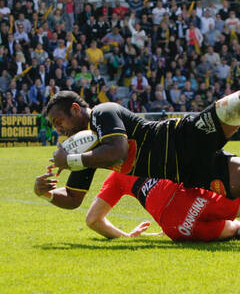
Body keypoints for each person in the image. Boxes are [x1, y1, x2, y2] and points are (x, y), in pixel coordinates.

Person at [45, 90, 240, 202]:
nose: (59, 129)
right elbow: (73, 198)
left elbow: (118, 152)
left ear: (75, 109)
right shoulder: (87, 152)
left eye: (58, 121)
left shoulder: (103, 112)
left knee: (234, 107)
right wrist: (46, 193)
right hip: (189, 172)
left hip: (184, 138)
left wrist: (70, 161)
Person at [86, 171, 240, 241]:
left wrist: (126, 237)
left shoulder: (116, 176)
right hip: (187, 197)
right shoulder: (151, 142)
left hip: (177, 225)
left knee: (233, 228)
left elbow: (93, 220)